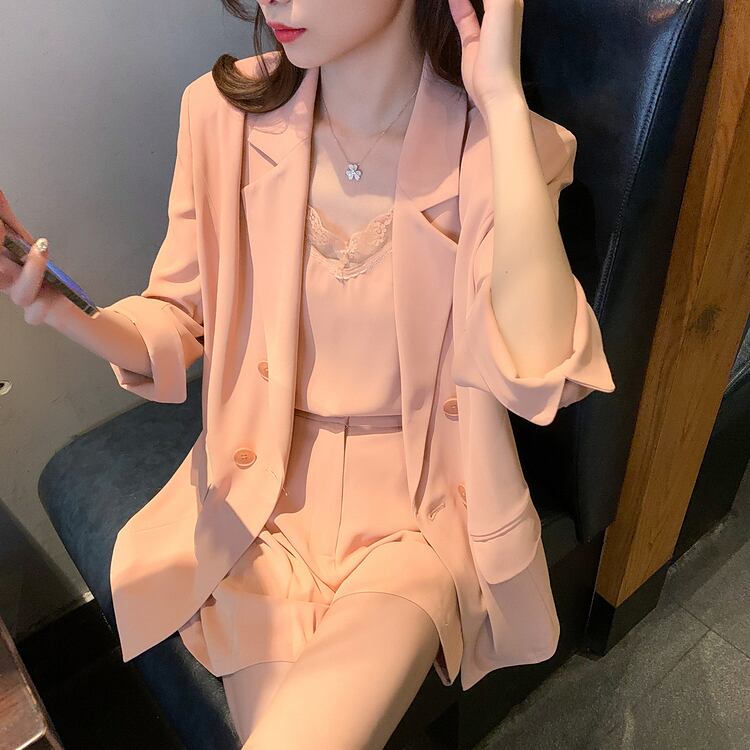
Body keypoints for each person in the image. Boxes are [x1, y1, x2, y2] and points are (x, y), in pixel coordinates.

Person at [1, 1, 616, 747]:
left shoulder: (499, 144)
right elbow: (178, 316)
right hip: (262, 501)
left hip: (418, 513)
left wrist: (503, 106)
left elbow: (542, 374)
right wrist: (62, 310)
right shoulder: (220, 116)